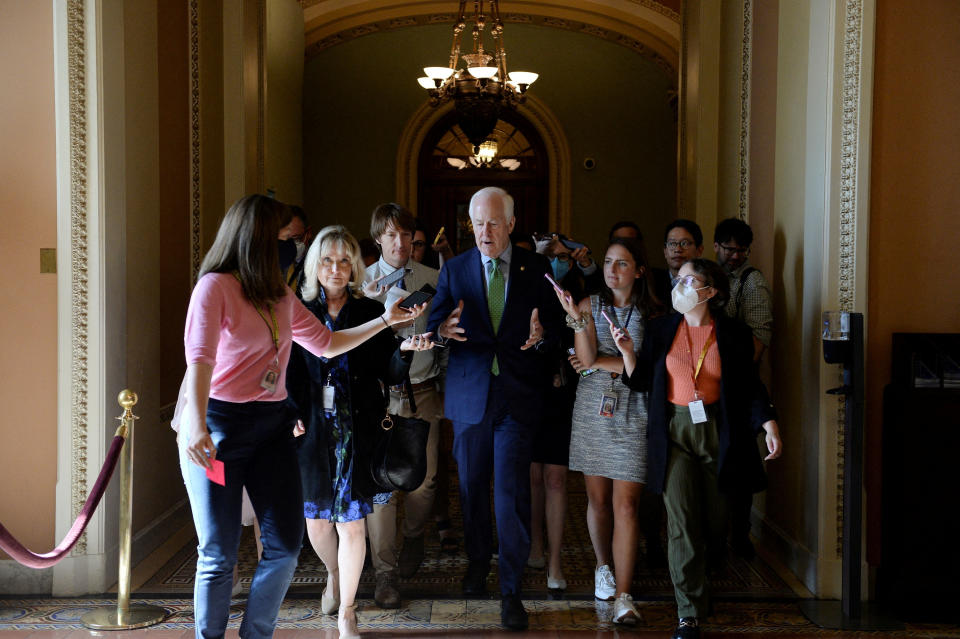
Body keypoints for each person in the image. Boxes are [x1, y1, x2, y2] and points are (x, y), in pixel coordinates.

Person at [179, 195, 425, 639]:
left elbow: (327, 344)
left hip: (270, 428)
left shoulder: (280, 294)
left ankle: (257, 633)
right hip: (219, 427)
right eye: (288, 238)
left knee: (285, 546)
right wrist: (196, 424)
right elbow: (200, 360)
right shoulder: (215, 287)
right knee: (218, 552)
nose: (296, 246)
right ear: (258, 238)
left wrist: (385, 322)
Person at [610, 258, 782, 639]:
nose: (680, 285)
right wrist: (627, 352)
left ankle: (702, 586)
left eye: (690, 280)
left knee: (714, 523)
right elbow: (640, 383)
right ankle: (687, 612)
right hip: (674, 433)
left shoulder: (734, 333)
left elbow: (750, 385)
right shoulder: (660, 329)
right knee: (682, 522)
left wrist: (768, 423)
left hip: (720, 433)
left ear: (711, 291)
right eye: (678, 278)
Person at [286, 225, 435, 638]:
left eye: (345, 260)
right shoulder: (297, 309)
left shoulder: (369, 311)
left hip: (358, 427)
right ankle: (334, 574)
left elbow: (386, 372)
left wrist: (403, 351)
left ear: (354, 266)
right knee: (316, 523)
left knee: (352, 523)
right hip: (312, 429)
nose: (336, 268)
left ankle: (348, 610)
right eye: (328, 260)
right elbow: (284, 370)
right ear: (315, 265)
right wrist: (289, 411)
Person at [426, 186, 562, 631]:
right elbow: (435, 322)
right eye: (478, 224)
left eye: (493, 223)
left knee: (510, 494)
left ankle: (511, 589)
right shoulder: (457, 268)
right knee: (470, 487)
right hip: (470, 398)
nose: (485, 232)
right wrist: (443, 327)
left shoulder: (536, 267)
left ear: (511, 224)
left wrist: (543, 338)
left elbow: (557, 328)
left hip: (517, 398)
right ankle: (477, 562)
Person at [554, 238, 665, 625]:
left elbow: (643, 371)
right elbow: (582, 361)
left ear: (639, 270)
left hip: (634, 409)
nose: (612, 270)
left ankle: (624, 595)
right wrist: (577, 320)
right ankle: (603, 566)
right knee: (598, 501)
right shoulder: (588, 304)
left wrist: (602, 362)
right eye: (607, 262)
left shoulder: (653, 313)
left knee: (627, 505)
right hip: (592, 408)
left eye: (622, 263)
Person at [361, 204, 448, 609]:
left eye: (407, 234)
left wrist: (441, 337)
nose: (400, 242)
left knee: (424, 480)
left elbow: (448, 333)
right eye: (392, 235)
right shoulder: (362, 282)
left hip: (423, 389)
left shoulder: (433, 278)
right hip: (379, 395)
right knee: (382, 486)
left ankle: (414, 536)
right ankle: (385, 573)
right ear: (379, 237)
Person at [713, 217, 774, 559]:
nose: (735, 256)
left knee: (738, 463)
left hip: (738, 386)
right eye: (730, 249)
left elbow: (757, 341)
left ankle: (739, 533)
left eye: (742, 250)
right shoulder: (706, 276)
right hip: (706, 388)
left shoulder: (752, 283)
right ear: (716, 246)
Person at [653, 220, 705, 311]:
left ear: (699, 250)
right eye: (672, 243)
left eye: (684, 243)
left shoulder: (706, 284)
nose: (677, 249)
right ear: (665, 251)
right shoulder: (652, 282)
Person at [278, 205, 312, 290]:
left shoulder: (319, 261)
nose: (290, 246)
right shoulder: (273, 261)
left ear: (308, 233)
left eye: (295, 238)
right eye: (284, 239)